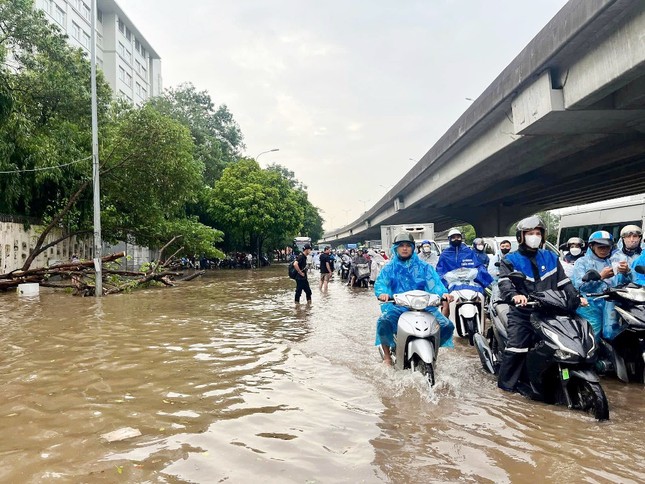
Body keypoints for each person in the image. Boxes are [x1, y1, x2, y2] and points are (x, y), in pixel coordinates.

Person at [497, 215, 586, 392]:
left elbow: (564, 283)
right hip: (524, 312)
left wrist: (576, 297)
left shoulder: (551, 257)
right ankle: (505, 388)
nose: (534, 236)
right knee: (517, 348)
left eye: (538, 233)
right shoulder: (510, 260)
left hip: (550, 312)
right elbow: (504, 283)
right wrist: (515, 296)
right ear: (521, 237)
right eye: (530, 233)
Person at [374, 232, 455, 366]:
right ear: (396, 248)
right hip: (398, 306)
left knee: (446, 325)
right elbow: (381, 283)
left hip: (424, 306)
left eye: (408, 245)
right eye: (401, 246)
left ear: (413, 248)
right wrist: (382, 293)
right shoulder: (389, 268)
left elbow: (435, 284)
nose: (404, 248)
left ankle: (432, 347)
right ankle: (387, 357)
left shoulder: (424, 267)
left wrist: (443, 294)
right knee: (383, 322)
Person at [572, 231, 632, 342]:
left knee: (612, 336)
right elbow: (579, 285)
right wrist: (600, 277)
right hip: (590, 307)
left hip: (611, 306)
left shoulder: (613, 262)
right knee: (592, 337)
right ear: (591, 246)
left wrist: (626, 272)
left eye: (607, 247)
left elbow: (623, 284)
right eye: (601, 247)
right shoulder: (582, 262)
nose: (604, 250)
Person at [436, 228, 493, 315]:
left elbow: (478, 266)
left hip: (470, 283)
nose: (456, 239)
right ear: (449, 239)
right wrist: (444, 279)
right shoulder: (445, 254)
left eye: (458, 237)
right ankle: (447, 324)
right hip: (451, 284)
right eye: (453, 237)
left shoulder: (469, 252)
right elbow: (440, 270)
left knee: (482, 300)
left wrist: (480, 274)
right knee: (445, 304)